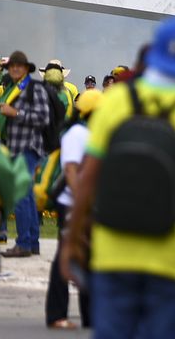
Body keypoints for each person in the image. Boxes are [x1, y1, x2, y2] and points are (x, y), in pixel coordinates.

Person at [61, 18, 175, 339]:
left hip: (113, 253)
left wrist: (71, 240)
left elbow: (87, 179)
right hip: (172, 259)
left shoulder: (116, 102)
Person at [47, 89, 102, 330]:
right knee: (66, 256)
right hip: (72, 203)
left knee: (88, 257)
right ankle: (56, 314)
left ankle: (91, 316)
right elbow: (71, 170)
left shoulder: (92, 134)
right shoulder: (77, 134)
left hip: (86, 203)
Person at [0, 50, 53, 257]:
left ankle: (24, 243)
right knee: (26, 195)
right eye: (12, 66)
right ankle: (31, 243)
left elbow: (43, 118)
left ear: (26, 68)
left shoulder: (32, 88)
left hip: (27, 147)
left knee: (21, 195)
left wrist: (15, 113)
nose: (15, 69)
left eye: (19, 66)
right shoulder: (16, 89)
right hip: (19, 147)